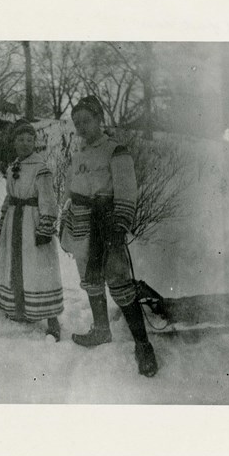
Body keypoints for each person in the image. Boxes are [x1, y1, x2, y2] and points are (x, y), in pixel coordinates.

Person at [60, 96, 158, 377]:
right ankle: (101, 330)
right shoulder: (78, 155)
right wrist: (66, 222)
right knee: (90, 280)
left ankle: (143, 345)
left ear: (99, 120)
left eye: (86, 121)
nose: (81, 127)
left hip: (107, 225)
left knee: (119, 281)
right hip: (82, 226)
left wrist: (119, 227)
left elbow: (127, 191)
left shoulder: (116, 150)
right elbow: (71, 192)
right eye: (77, 123)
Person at [0, 119, 64, 341]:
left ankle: (52, 318)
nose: (25, 143)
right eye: (20, 139)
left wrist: (45, 227)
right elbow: (9, 196)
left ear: (35, 142)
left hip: (32, 222)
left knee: (39, 267)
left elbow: (48, 201)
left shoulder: (40, 168)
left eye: (29, 139)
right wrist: (4, 219)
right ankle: (20, 308)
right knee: (15, 264)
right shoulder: (13, 165)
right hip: (15, 220)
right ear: (14, 142)